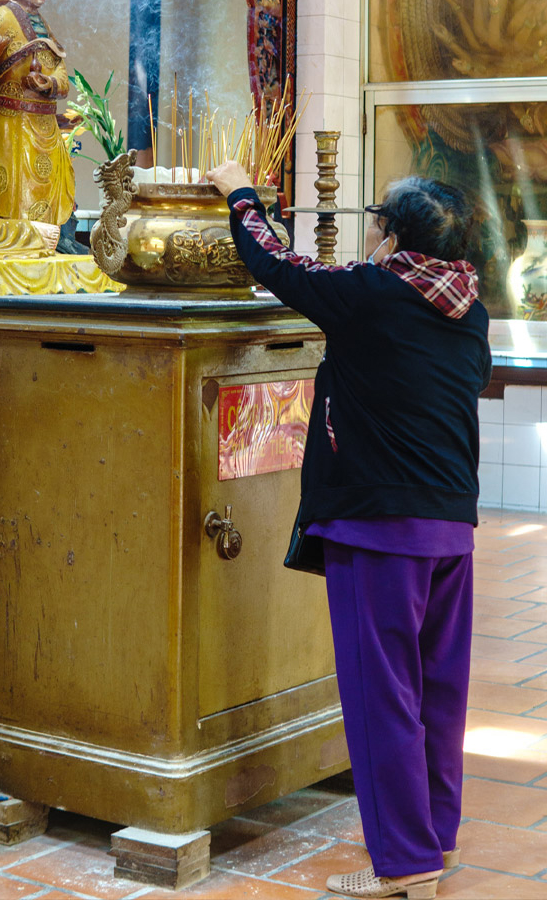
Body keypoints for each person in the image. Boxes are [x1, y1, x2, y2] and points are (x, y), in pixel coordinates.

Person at [206, 162, 491, 900]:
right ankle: (436, 838)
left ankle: (404, 861)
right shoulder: (468, 306)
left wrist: (240, 190)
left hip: (380, 527)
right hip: (451, 526)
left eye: (375, 218)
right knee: (436, 693)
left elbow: (273, 261)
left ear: (391, 233)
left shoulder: (371, 295)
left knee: (381, 698)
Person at [0, 0, 75, 226]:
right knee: (8, 205)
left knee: (47, 211)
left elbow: (61, 72)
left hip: (45, 128)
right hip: (7, 128)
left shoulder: (43, 24)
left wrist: (48, 82)